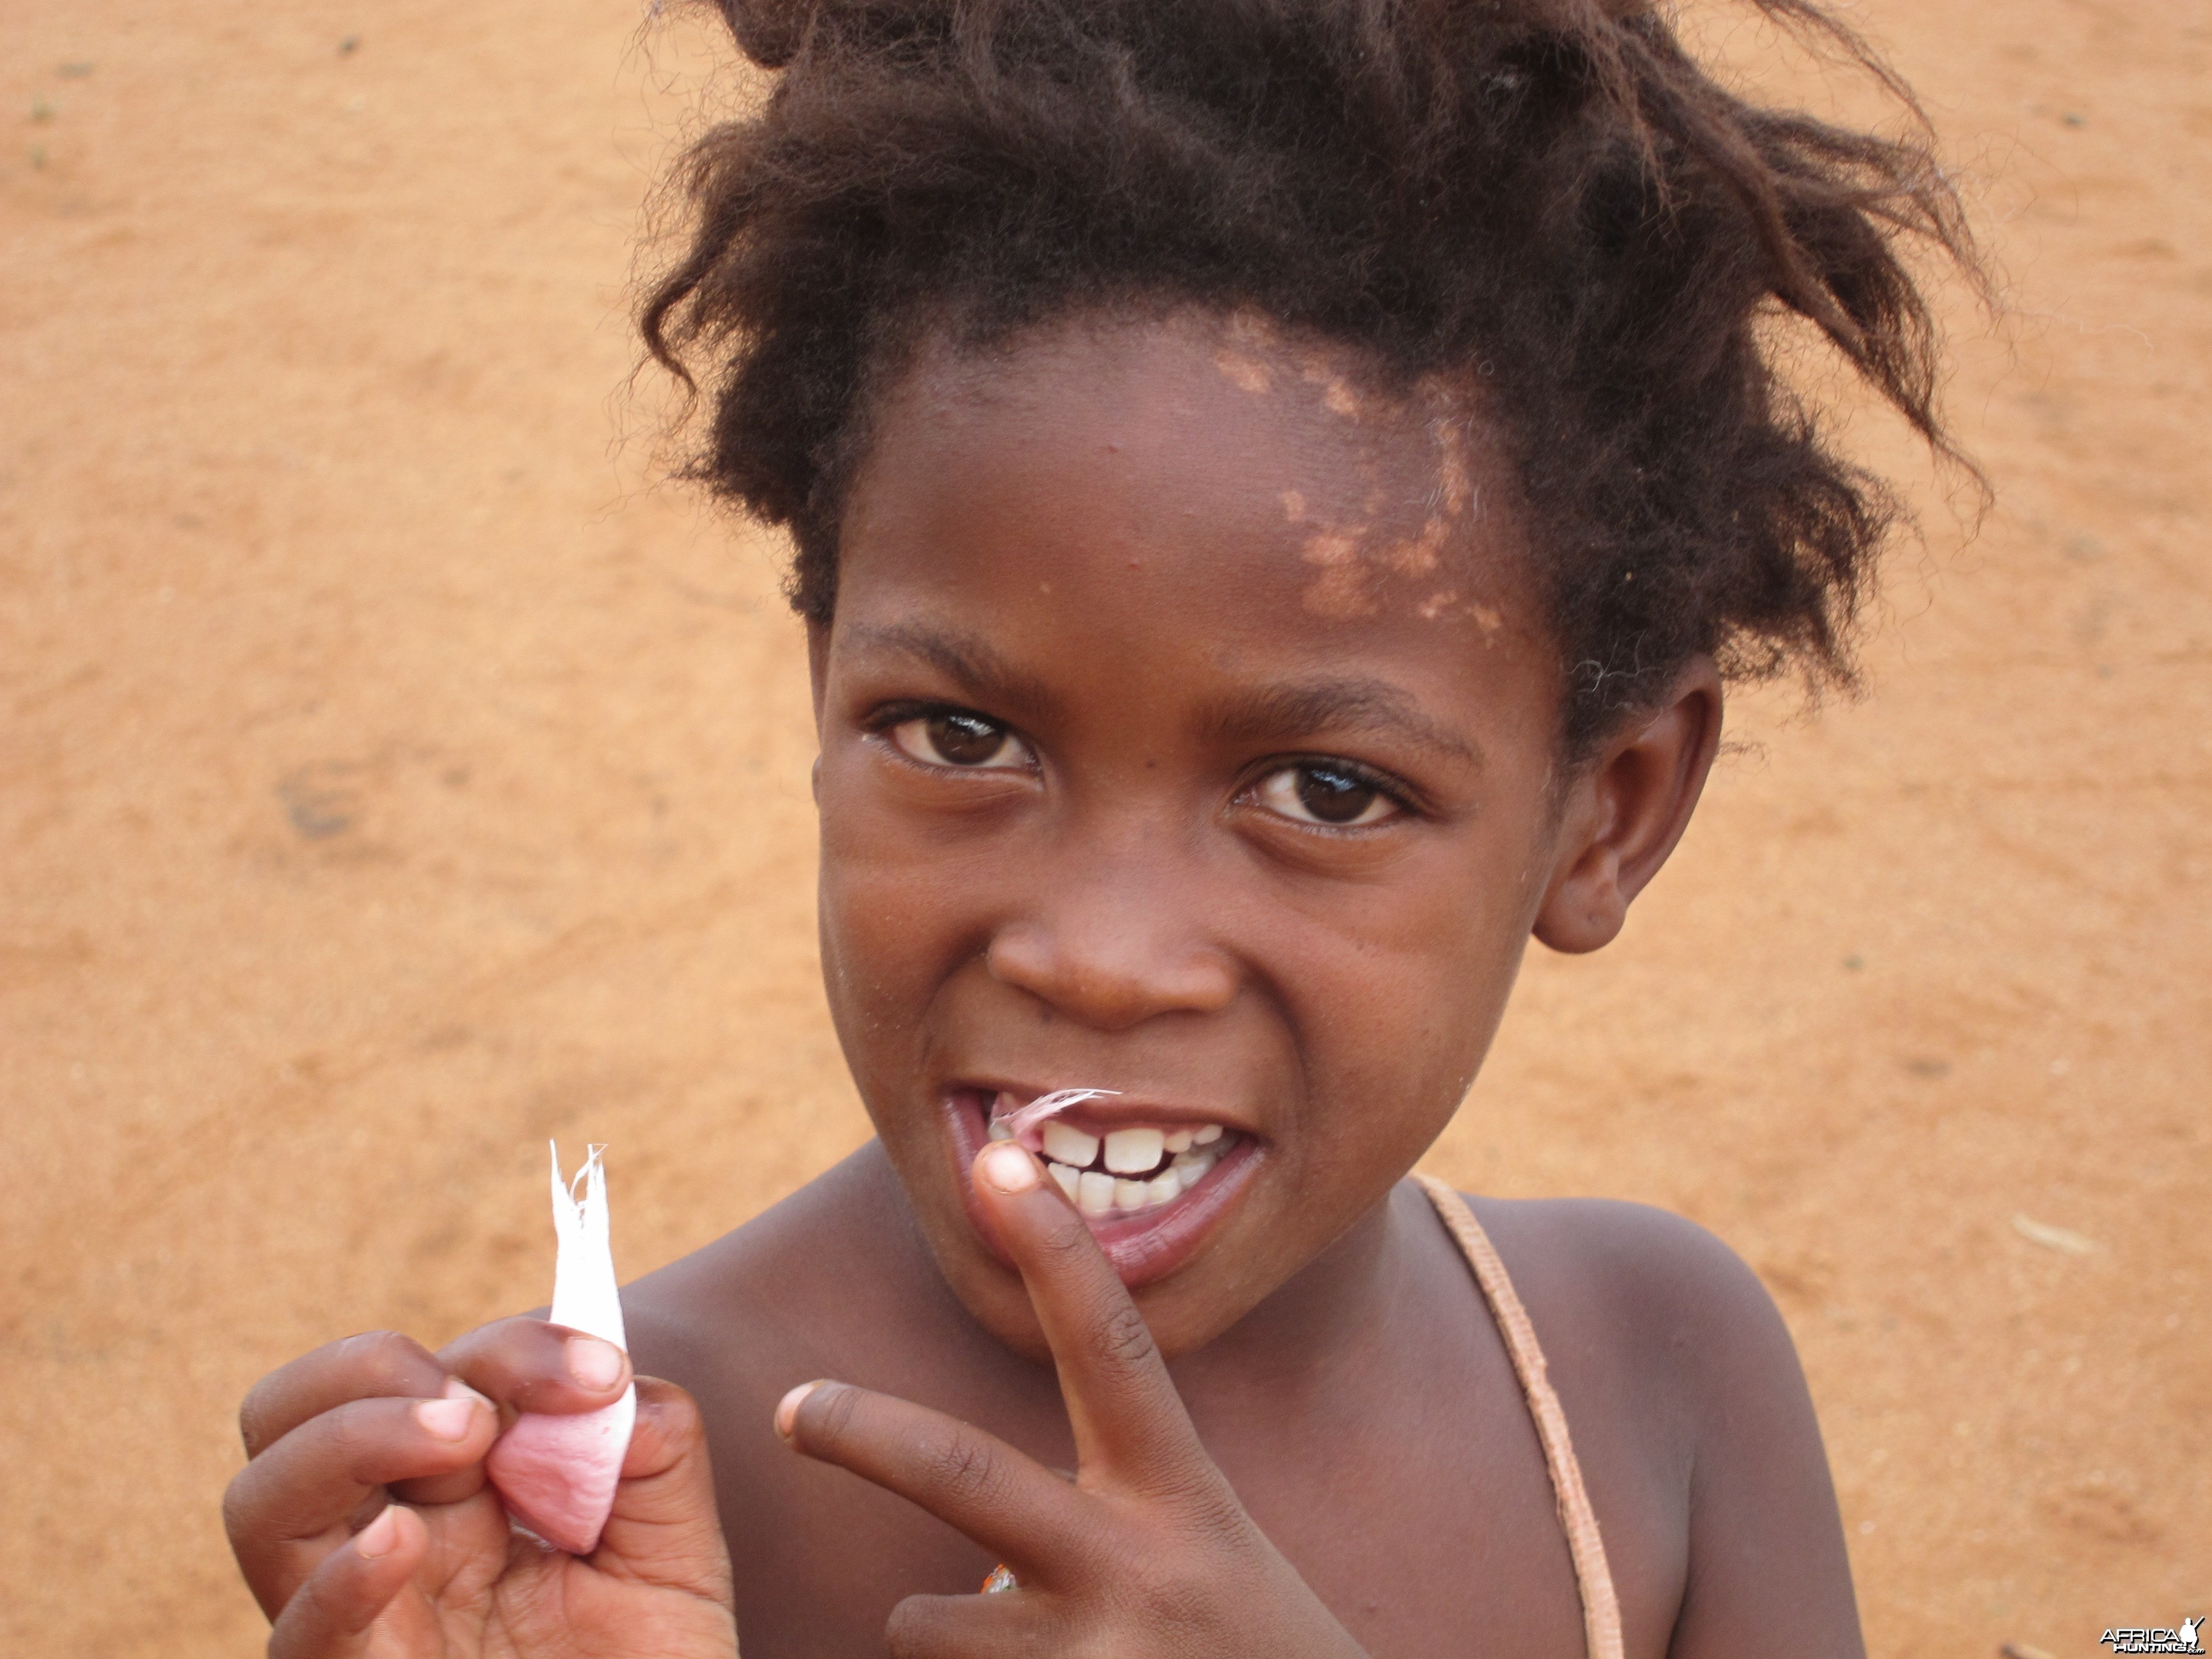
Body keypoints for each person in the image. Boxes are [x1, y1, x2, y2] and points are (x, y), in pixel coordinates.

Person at [221, 1, 1978, 1654]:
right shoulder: (612, 1500)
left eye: (1327, 790)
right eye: (961, 734)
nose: (1100, 955)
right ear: (827, 686)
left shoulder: (1662, 1383)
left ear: (1611, 815)